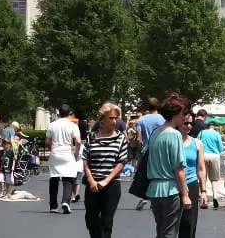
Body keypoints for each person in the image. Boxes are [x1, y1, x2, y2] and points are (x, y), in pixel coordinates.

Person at [146, 93, 192, 238]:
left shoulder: (156, 133)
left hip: (154, 189)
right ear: (177, 113)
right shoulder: (174, 134)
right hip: (170, 190)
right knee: (170, 232)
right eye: (183, 113)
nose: (185, 117)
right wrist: (185, 194)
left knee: (161, 230)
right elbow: (178, 168)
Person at [82, 102, 129, 238]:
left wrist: (106, 180)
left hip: (111, 184)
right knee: (91, 220)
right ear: (102, 119)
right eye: (111, 118)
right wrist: (91, 181)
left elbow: (121, 162)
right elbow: (85, 160)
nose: (115, 121)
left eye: (116, 118)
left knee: (106, 222)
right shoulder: (92, 137)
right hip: (93, 185)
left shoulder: (120, 138)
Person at [47, 104, 82, 214]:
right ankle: (66, 201)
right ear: (69, 113)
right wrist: (76, 153)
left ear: (59, 113)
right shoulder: (73, 125)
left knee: (54, 178)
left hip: (55, 152)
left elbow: (47, 142)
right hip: (67, 152)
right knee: (69, 178)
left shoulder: (52, 125)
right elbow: (78, 142)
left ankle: (53, 205)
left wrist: (52, 148)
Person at [179, 113, 208, 238]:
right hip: (174, 184)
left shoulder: (197, 143)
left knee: (189, 223)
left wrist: (204, 191)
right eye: (186, 123)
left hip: (191, 183)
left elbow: (201, 168)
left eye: (191, 123)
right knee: (172, 224)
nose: (189, 126)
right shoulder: (172, 141)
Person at [135, 97, 166, 211]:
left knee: (146, 175)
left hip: (146, 151)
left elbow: (139, 138)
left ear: (147, 107)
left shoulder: (141, 120)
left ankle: (144, 197)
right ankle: (156, 198)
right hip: (159, 151)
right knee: (158, 175)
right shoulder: (162, 119)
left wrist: (142, 148)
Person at [196, 122, 225, 209]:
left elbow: (197, 143)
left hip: (203, 155)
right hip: (214, 156)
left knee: (202, 177)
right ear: (214, 127)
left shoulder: (201, 133)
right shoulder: (217, 134)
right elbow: (220, 149)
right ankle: (215, 197)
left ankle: (203, 197)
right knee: (214, 179)